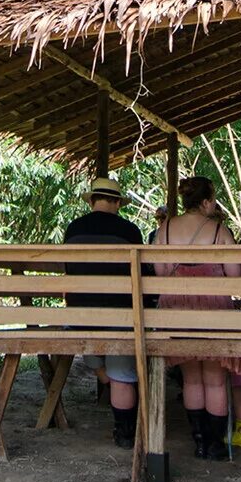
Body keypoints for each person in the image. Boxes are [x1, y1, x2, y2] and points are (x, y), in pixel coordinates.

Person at [154, 176, 241, 461]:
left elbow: (159, 273)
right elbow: (237, 277)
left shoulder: (164, 229)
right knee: (215, 380)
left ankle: (200, 442)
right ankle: (216, 445)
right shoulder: (219, 231)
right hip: (214, 315)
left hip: (176, 314)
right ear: (206, 202)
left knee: (191, 379)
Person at [64, 176, 146, 448]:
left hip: (79, 318)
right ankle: (125, 435)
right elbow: (144, 279)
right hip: (121, 319)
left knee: (89, 328)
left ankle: (102, 373)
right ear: (118, 203)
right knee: (123, 368)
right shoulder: (130, 231)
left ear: (92, 201)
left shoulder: (73, 229)